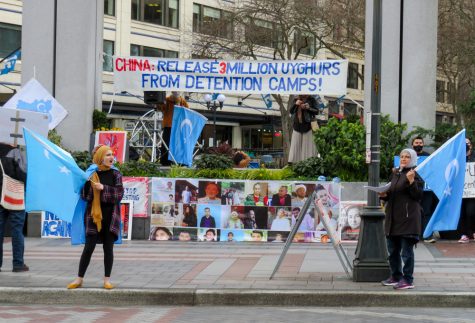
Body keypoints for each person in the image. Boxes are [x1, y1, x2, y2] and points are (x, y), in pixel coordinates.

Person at [67, 145, 124, 290]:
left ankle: (107, 280)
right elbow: (85, 197)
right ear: (100, 157)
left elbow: (119, 194)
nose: (111, 157)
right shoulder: (91, 174)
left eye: (112, 154)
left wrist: (103, 188)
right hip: (93, 216)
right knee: (88, 247)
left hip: (111, 216)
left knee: (108, 248)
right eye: (107, 155)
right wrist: (87, 185)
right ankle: (79, 279)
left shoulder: (116, 174)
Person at [379, 148, 423, 290]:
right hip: (393, 219)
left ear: (413, 159)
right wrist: (384, 195)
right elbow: (391, 193)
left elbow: (418, 196)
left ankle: (408, 279)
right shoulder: (396, 174)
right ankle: (396, 276)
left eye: (407, 157)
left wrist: (411, 182)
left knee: (406, 252)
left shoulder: (416, 174)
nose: (403, 159)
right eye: (402, 156)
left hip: (408, 219)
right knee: (392, 251)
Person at [0, 142, 28, 272]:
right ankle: (18, 264)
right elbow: (23, 174)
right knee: (17, 230)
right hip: (15, 196)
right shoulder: (15, 152)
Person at [412, 137, 438, 243]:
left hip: (427, 190)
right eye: (416, 142)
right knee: (413, 212)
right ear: (412, 144)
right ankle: (414, 234)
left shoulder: (429, 157)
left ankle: (427, 235)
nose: (418, 144)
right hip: (413, 189)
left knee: (426, 212)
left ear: (423, 144)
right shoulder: (408, 156)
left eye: (420, 142)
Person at [159, 91, 189, 166]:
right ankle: (165, 161)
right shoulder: (167, 100)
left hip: (178, 125)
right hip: (169, 125)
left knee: (177, 144)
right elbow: (161, 108)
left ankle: (178, 161)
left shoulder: (182, 101)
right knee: (167, 143)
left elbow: (187, 110)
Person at [288, 94, 318, 164]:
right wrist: (296, 104)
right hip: (297, 126)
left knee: (308, 146)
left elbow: (317, 111)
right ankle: (293, 163)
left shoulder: (312, 99)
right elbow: (291, 111)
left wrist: (308, 108)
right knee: (295, 145)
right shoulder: (296, 99)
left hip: (308, 126)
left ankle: (308, 163)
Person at [458, 138, 475, 243]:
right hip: (460, 191)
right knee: (462, 212)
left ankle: (472, 231)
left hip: (472, 190)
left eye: (467, 143)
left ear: (471, 145)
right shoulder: (458, 157)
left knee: (471, 212)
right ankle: (464, 234)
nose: (466, 145)